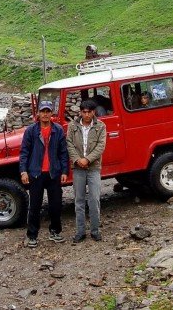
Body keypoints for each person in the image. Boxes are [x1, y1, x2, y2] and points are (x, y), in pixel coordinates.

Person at [19, 100, 69, 247]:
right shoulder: (31, 131)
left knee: (56, 205)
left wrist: (65, 170)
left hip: (54, 173)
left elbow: (63, 152)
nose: (45, 114)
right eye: (43, 111)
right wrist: (23, 171)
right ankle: (32, 235)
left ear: (51, 113)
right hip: (36, 173)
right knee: (34, 206)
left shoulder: (58, 130)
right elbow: (24, 152)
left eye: (48, 111)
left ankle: (55, 231)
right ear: (38, 114)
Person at [66, 100, 107, 243]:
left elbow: (101, 146)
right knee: (79, 200)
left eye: (89, 112)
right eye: (84, 112)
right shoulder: (72, 126)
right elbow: (69, 144)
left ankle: (95, 231)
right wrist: (77, 160)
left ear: (94, 112)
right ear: (80, 112)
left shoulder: (101, 126)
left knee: (94, 199)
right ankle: (80, 231)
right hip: (78, 168)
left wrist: (87, 159)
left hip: (94, 167)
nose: (87, 114)